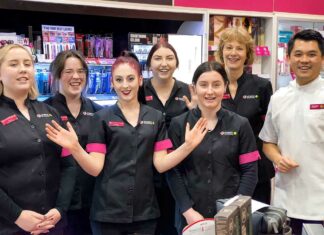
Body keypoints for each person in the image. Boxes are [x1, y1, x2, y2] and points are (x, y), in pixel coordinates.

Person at [45, 53, 208, 235]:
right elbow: (95, 168)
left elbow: (160, 164)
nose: (125, 85)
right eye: (119, 80)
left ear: (139, 80)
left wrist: (188, 145)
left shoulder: (155, 117)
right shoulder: (101, 118)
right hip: (107, 213)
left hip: (145, 211)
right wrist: (75, 147)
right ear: (112, 83)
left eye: (130, 79)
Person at [167, 61, 259, 234]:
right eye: (203, 85)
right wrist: (187, 210)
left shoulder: (240, 124)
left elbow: (250, 172)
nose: (210, 91)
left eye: (216, 85)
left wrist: (232, 211)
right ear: (194, 88)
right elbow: (172, 172)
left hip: (230, 215)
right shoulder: (179, 124)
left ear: (224, 87)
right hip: (191, 216)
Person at [0, 44, 76, 235]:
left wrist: (60, 209)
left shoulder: (50, 114)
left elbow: (68, 165)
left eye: (27, 63)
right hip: (9, 226)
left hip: (53, 224)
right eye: (14, 64)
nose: (23, 69)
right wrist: (17, 215)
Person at [259, 29, 324, 235]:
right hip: (285, 203)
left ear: (322, 59)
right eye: (298, 54)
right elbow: (268, 141)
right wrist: (278, 158)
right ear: (288, 58)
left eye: (312, 54)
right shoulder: (278, 97)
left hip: (320, 205)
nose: (304, 60)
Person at [139, 41, 196, 235]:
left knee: (176, 224)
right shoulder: (139, 90)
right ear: (149, 64)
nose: (164, 63)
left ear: (177, 63)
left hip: (180, 170)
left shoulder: (188, 91)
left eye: (169, 58)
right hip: (147, 171)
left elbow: (200, 128)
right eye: (158, 58)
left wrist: (195, 111)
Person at [44, 50, 102, 235]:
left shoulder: (98, 112)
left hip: (93, 200)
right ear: (57, 75)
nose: (76, 76)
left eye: (81, 71)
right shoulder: (44, 111)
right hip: (56, 203)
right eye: (68, 71)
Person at [216, 27, 274, 204]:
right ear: (221, 51)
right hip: (222, 170)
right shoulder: (212, 85)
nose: (234, 53)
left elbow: (269, 131)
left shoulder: (261, 86)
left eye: (240, 48)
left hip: (256, 170)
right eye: (229, 47)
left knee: (256, 224)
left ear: (247, 54)